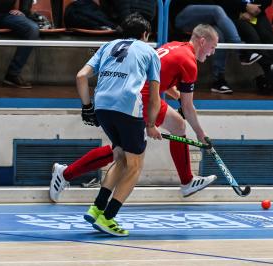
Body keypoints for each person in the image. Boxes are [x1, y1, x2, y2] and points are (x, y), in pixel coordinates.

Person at [50, 24, 218, 204]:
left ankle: (187, 181)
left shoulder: (174, 46)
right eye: (213, 47)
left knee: (177, 125)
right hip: (140, 99)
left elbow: (159, 75)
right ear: (202, 41)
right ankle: (66, 174)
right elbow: (188, 106)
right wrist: (201, 135)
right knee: (121, 152)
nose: (213, 52)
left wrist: (175, 94)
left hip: (134, 93)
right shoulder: (190, 62)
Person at [56, 13, 162, 237]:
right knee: (135, 166)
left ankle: (97, 207)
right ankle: (109, 217)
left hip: (102, 105)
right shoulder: (150, 52)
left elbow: (81, 76)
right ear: (145, 35)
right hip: (127, 107)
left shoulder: (106, 46)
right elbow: (154, 97)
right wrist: (151, 124)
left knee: (120, 156)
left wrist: (87, 107)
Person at [171, 1, 262, 94]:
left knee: (219, 35)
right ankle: (241, 50)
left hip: (206, 17)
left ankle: (218, 80)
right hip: (182, 15)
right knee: (216, 10)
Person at [218, 0, 273, 95]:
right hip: (233, 14)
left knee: (266, 34)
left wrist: (256, 8)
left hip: (256, 12)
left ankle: (271, 79)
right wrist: (244, 8)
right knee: (252, 35)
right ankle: (270, 69)